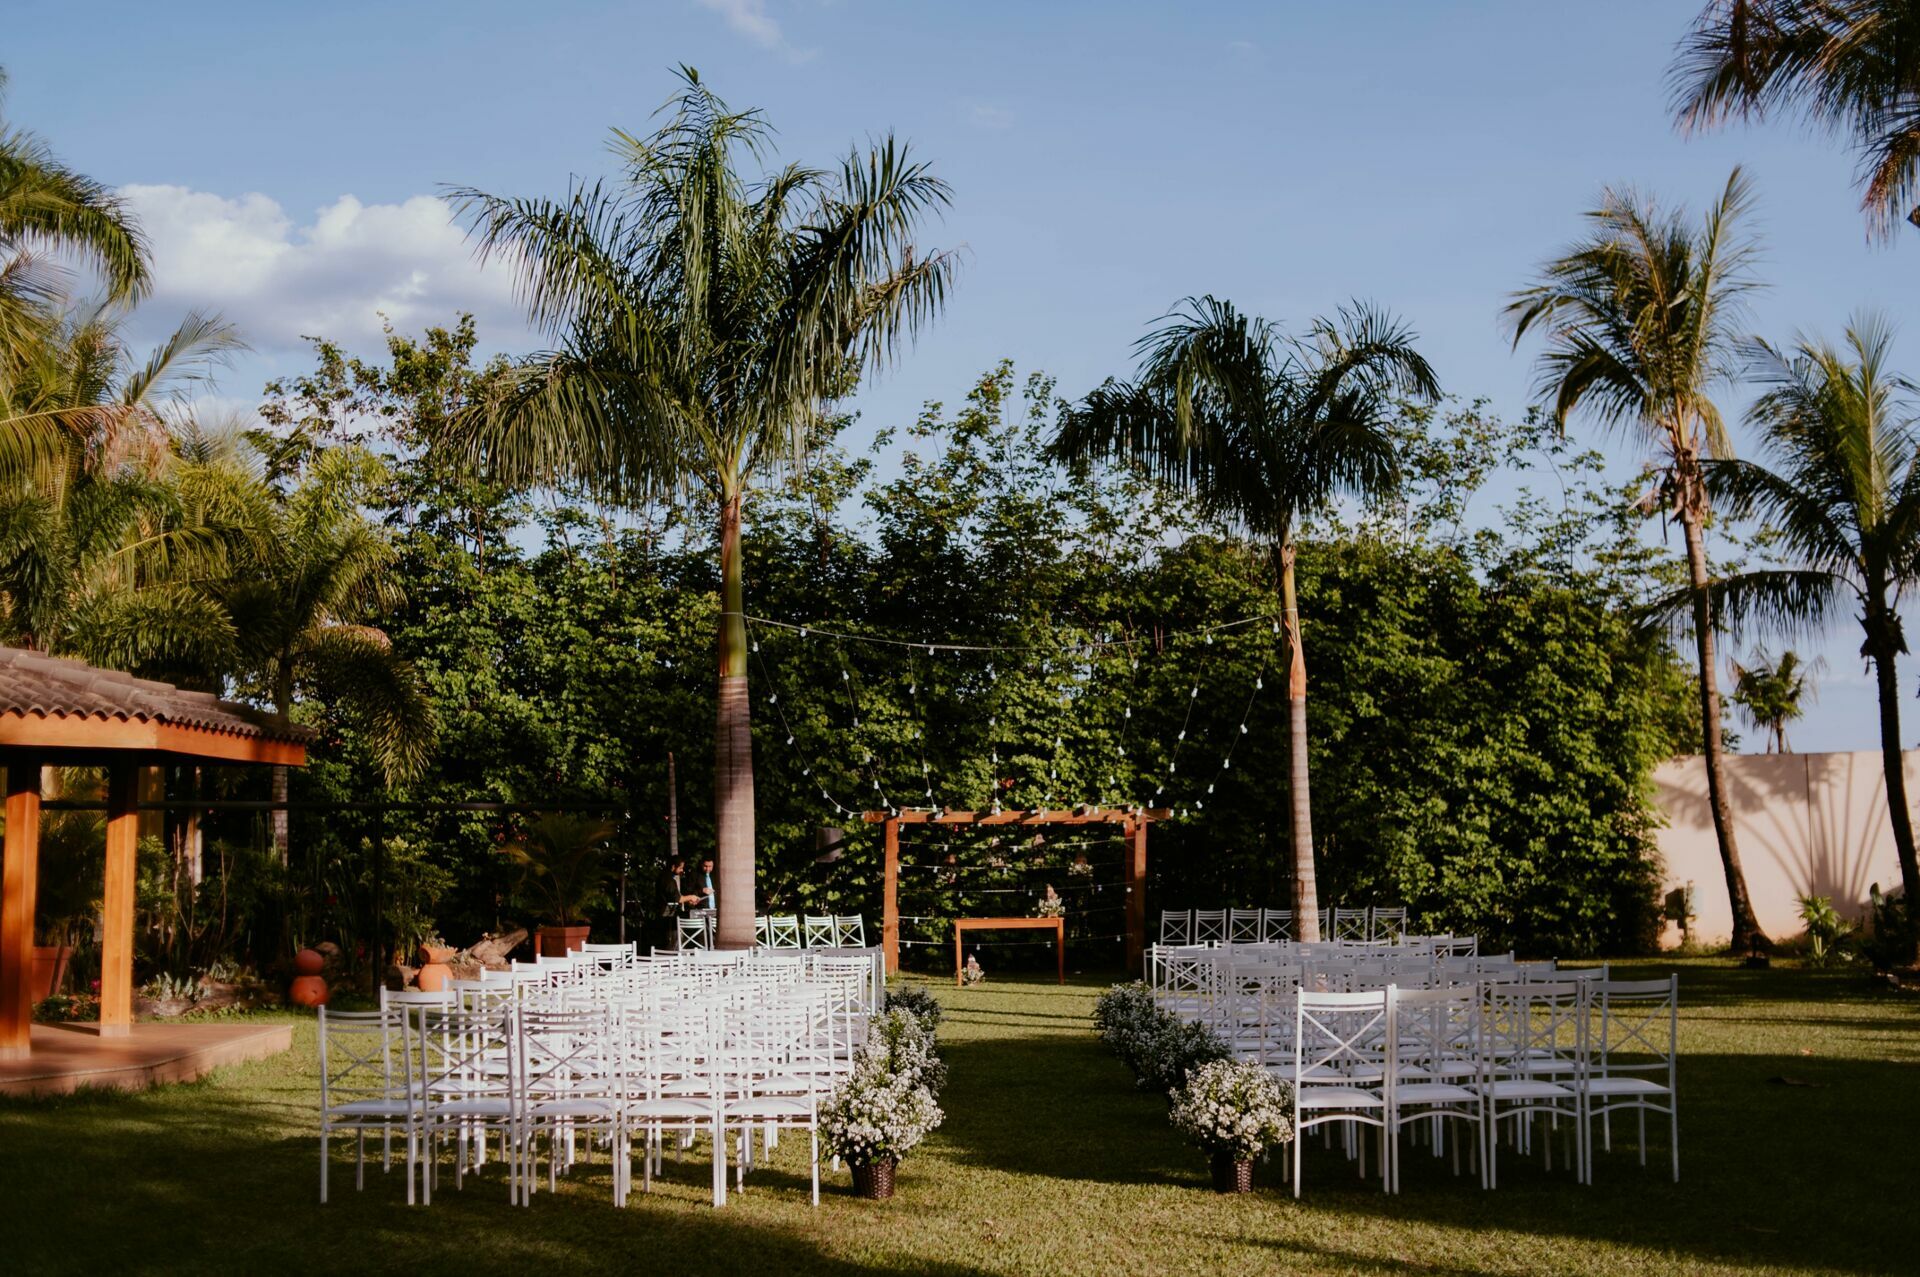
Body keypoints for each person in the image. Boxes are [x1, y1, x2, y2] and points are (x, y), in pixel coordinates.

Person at [653, 854, 703, 951]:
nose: (681, 870)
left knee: (671, 942)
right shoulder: (668, 880)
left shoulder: (664, 878)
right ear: (673, 866)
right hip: (668, 918)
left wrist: (688, 900)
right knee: (674, 943)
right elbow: (677, 899)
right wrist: (691, 897)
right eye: (680, 868)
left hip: (665, 916)